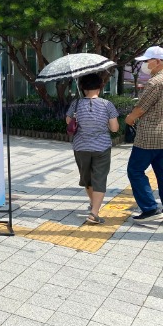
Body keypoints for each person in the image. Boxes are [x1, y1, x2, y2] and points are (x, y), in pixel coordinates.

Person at [65, 73, 119, 224]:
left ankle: (93, 204)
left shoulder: (76, 104)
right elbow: (114, 129)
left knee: (87, 178)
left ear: (82, 87)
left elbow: (69, 121)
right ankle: (94, 212)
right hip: (101, 147)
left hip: (81, 147)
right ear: (100, 87)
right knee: (99, 178)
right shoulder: (107, 105)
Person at [125, 46, 163, 221]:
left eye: (147, 61)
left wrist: (129, 119)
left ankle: (150, 208)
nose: (145, 65)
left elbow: (141, 108)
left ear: (158, 61)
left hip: (149, 135)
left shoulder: (155, 82)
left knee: (135, 169)